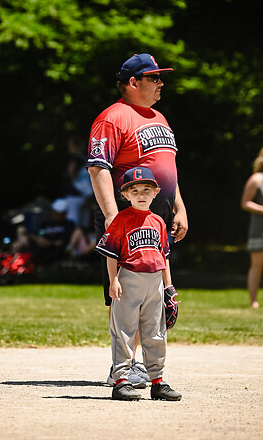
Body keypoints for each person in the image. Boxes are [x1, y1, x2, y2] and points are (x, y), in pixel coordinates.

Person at [87, 53, 188, 386]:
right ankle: (125, 366)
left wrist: (179, 205)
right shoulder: (113, 117)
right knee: (127, 294)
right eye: (154, 78)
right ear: (133, 82)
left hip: (157, 216)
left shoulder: (159, 117)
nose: (161, 83)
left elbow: (166, 168)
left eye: (161, 78)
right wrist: (113, 216)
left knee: (155, 293)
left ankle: (141, 365)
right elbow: (98, 167)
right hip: (127, 215)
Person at [95, 167, 182, 401]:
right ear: (126, 195)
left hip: (154, 281)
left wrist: (169, 287)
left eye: (147, 189)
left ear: (156, 193)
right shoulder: (120, 220)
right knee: (124, 329)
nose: (141, 194)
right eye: (135, 190)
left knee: (156, 331)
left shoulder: (159, 222)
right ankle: (121, 380)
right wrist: (113, 280)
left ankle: (157, 381)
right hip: (129, 277)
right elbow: (111, 254)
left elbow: (164, 256)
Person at [241, 147, 263, 308]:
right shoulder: (256, 179)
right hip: (259, 229)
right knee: (257, 264)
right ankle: (253, 301)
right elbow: (245, 202)